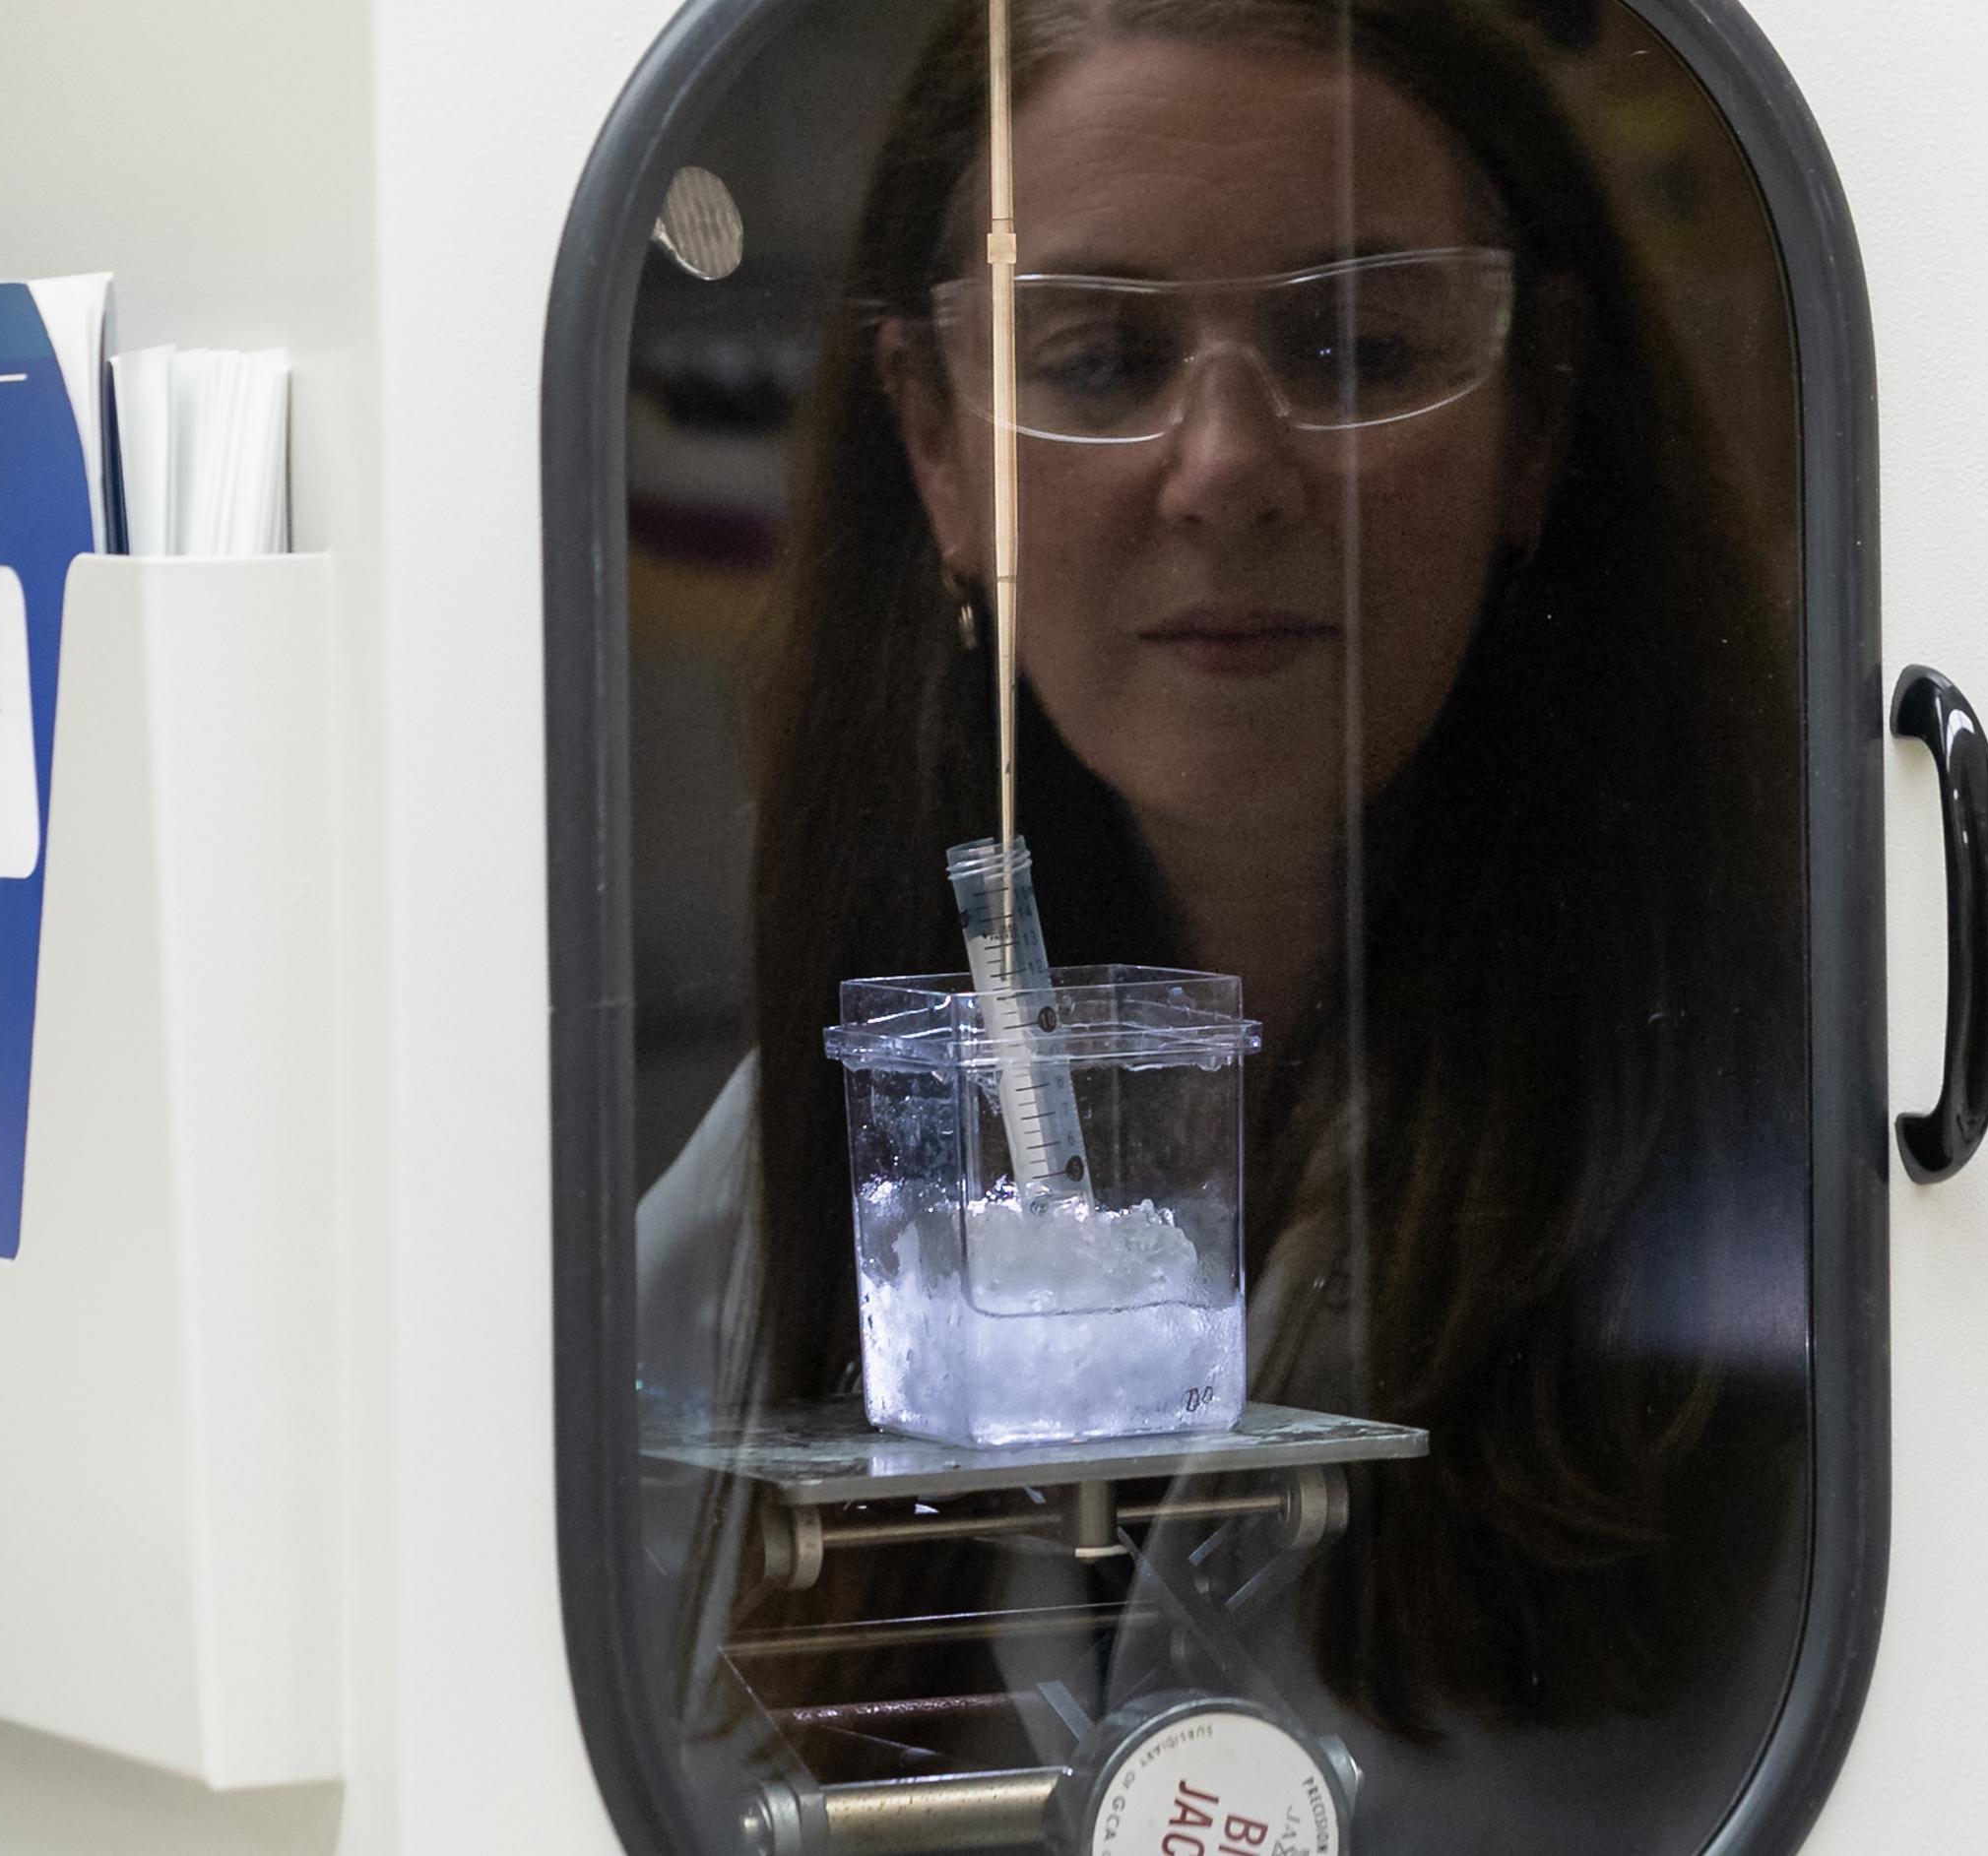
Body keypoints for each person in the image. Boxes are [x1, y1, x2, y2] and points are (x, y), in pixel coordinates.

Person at [637, 0, 1807, 1845]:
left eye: (1358, 340)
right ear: (937, 450)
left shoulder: (1778, 1158)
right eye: (1098, 357)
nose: (1229, 466)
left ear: (1537, 418)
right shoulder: (802, 1180)